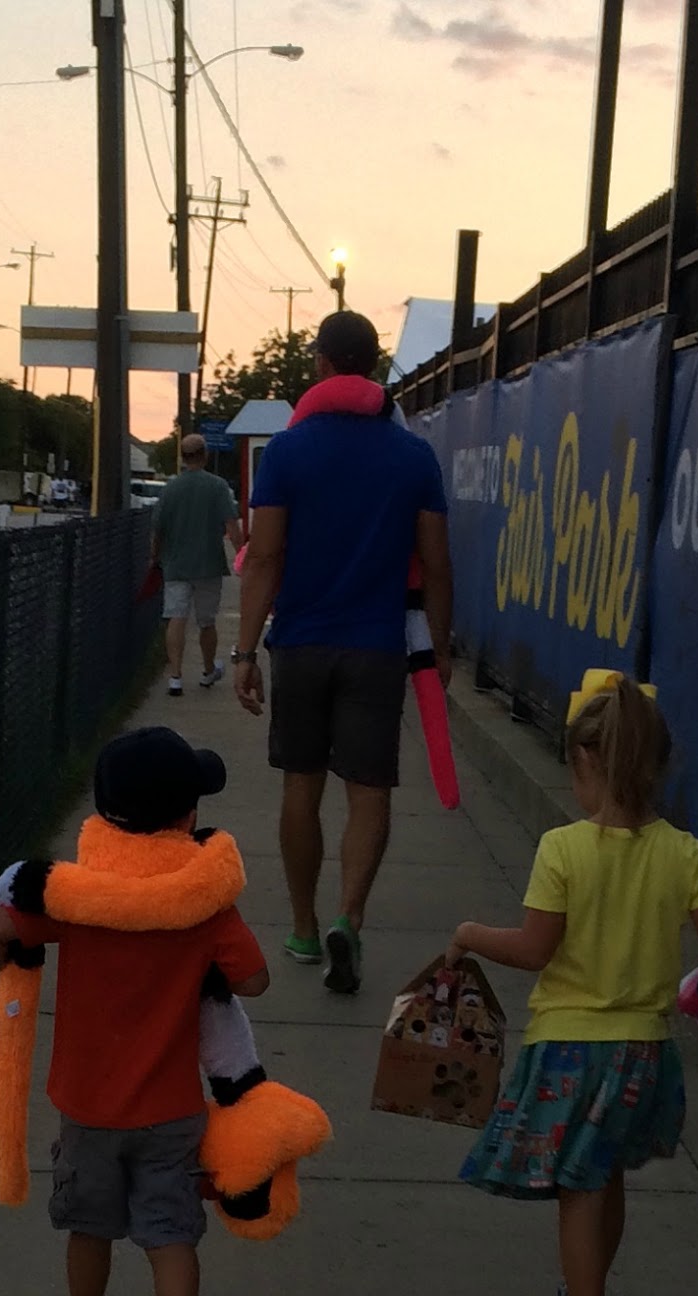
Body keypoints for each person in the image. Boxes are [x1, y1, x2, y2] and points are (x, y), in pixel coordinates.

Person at [444, 678, 698, 1296]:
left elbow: (534, 949)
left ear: (587, 762)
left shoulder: (563, 850)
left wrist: (469, 935)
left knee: (577, 1191)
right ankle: (589, 1294)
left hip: (568, 1051)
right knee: (605, 1176)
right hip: (643, 1053)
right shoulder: (688, 855)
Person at [0, 726, 270, 1296]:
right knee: (171, 1235)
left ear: (104, 817)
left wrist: (10, 969)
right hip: (171, 1110)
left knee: (90, 1229)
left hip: (86, 1109)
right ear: (187, 818)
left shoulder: (76, 898)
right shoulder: (204, 904)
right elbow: (254, 980)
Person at [234, 310, 451, 994]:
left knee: (301, 786)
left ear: (323, 365)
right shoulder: (413, 456)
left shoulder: (287, 452)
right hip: (377, 646)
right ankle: (348, 919)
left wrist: (243, 651)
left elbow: (264, 556)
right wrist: (440, 649)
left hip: (300, 642)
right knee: (369, 791)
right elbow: (436, 564)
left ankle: (303, 927)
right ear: (375, 366)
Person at [152, 433, 242, 697]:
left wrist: (154, 556)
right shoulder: (218, 486)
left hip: (175, 564)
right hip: (208, 564)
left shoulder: (170, 488)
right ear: (205, 454)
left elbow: (157, 528)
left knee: (176, 617)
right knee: (206, 621)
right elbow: (231, 525)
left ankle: (175, 676)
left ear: (182, 457)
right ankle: (207, 670)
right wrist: (242, 555)